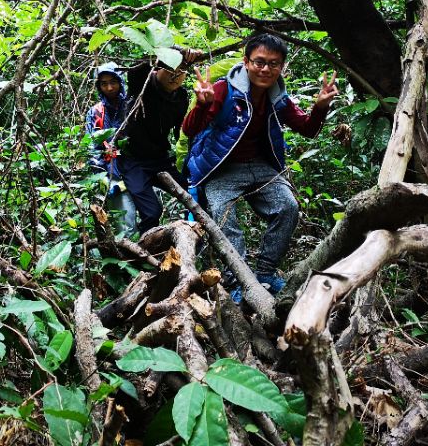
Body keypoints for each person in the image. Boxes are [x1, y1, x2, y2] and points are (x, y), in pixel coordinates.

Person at [182, 33, 338, 302]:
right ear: (246, 62)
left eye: (274, 64)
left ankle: (264, 273)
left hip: (261, 166)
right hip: (223, 168)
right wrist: (202, 105)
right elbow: (190, 129)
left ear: (282, 67)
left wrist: (320, 107)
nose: (266, 69)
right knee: (222, 215)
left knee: (288, 207)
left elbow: (307, 129)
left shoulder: (278, 97)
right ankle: (237, 282)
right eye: (259, 62)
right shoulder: (223, 89)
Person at [117, 49, 201, 233]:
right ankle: (144, 251)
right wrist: (178, 51)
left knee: (195, 194)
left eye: (181, 71)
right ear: (159, 67)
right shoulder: (143, 82)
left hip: (161, 159)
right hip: (133, 161)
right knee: (152, 212)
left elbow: (182, 134)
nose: (175, 75)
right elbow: (138, 65)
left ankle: (191, 238)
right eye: (170, 68)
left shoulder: (180, 97)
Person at [85, 63, 136, 236]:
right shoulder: (96, 112)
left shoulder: (132, 106)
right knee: (126, 226)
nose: (109, 87)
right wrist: (103, 178)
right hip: (112, 175)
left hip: (137, 170)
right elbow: (91, 147)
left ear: (121, 82)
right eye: (104, 83)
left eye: (113, 82)